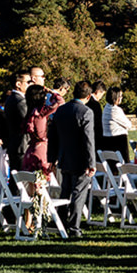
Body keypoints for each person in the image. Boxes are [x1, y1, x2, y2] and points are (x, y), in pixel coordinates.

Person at [48, 81, 98, 238]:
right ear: (89, 96)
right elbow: (89, 139)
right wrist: (91, 163)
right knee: (79, 193)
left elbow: (53, 137)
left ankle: (61, 221)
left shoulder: (61, 110)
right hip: (81, 159)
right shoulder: (86, 112)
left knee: (66, 191)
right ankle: (74, 227)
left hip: (64, 157)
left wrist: (52, 158)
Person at [20, 84, 53, 175]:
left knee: (30, 183)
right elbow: (60, 102)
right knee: (42, 181)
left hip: (31, 149)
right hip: (42, 150)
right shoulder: (40, 113)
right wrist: (51, 92)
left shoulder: (30, 112)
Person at [102, 85, 132, 161]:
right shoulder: (116, 110)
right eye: (120, 96)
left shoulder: (106, 108)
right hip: (118, 141)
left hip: (107, 141)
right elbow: (128, 124)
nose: (121, 98)